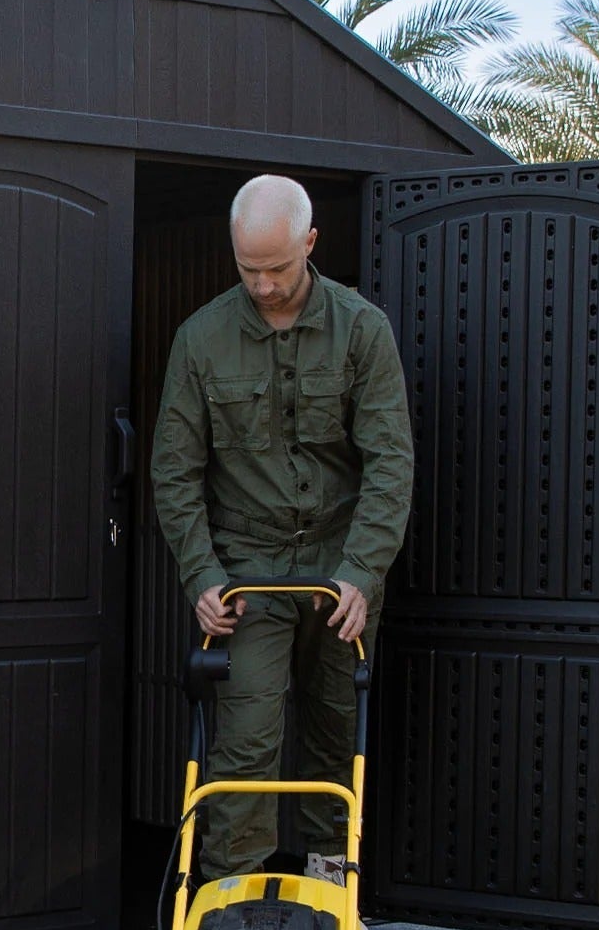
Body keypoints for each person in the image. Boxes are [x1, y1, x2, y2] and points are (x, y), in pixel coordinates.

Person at [150, 174, 414, 881]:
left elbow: (391, 463)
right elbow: (175, 473)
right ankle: (230, 895)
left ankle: (334, 891)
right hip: (248, 571)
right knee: (245, 739)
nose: (264, 286)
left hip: (339, 567)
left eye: (278, 268)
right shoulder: (200, 341)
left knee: (335, 736)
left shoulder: (363, 331)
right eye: (248, 269)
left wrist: (363, 571)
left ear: (311, 244)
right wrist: (202, 575)